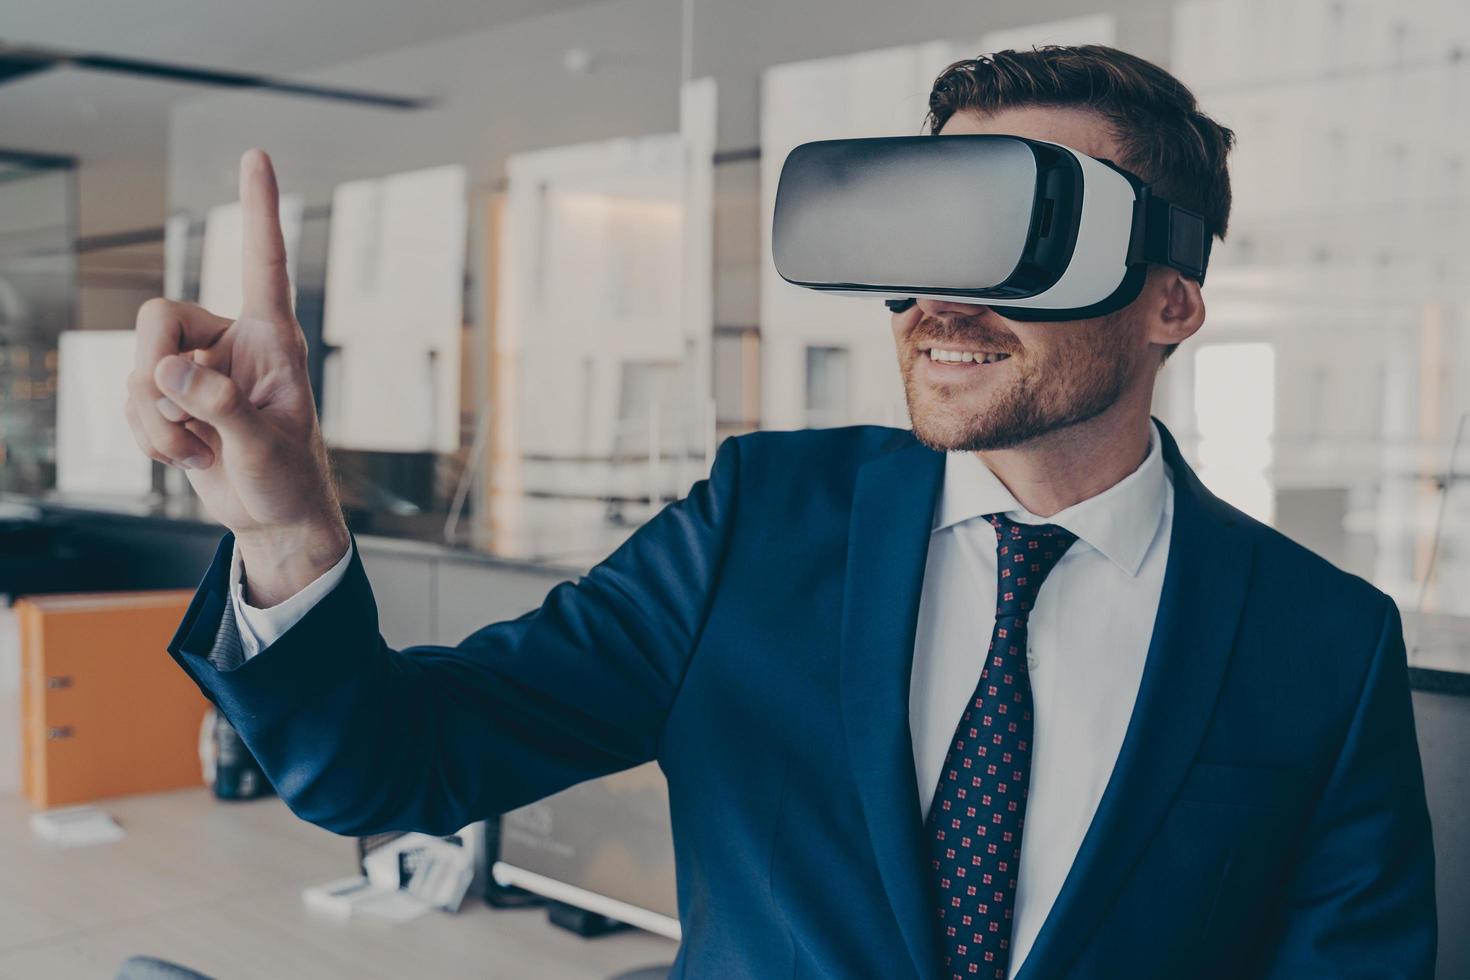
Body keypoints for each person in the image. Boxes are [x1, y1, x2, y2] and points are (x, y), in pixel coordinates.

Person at [125, 45, 1435, 980]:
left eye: (1021, 234)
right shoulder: (762, 522)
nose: (939, 299)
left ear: (1170, 302)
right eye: (924, 231)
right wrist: (288, 527)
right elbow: (392, 765)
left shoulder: (1322, 640)